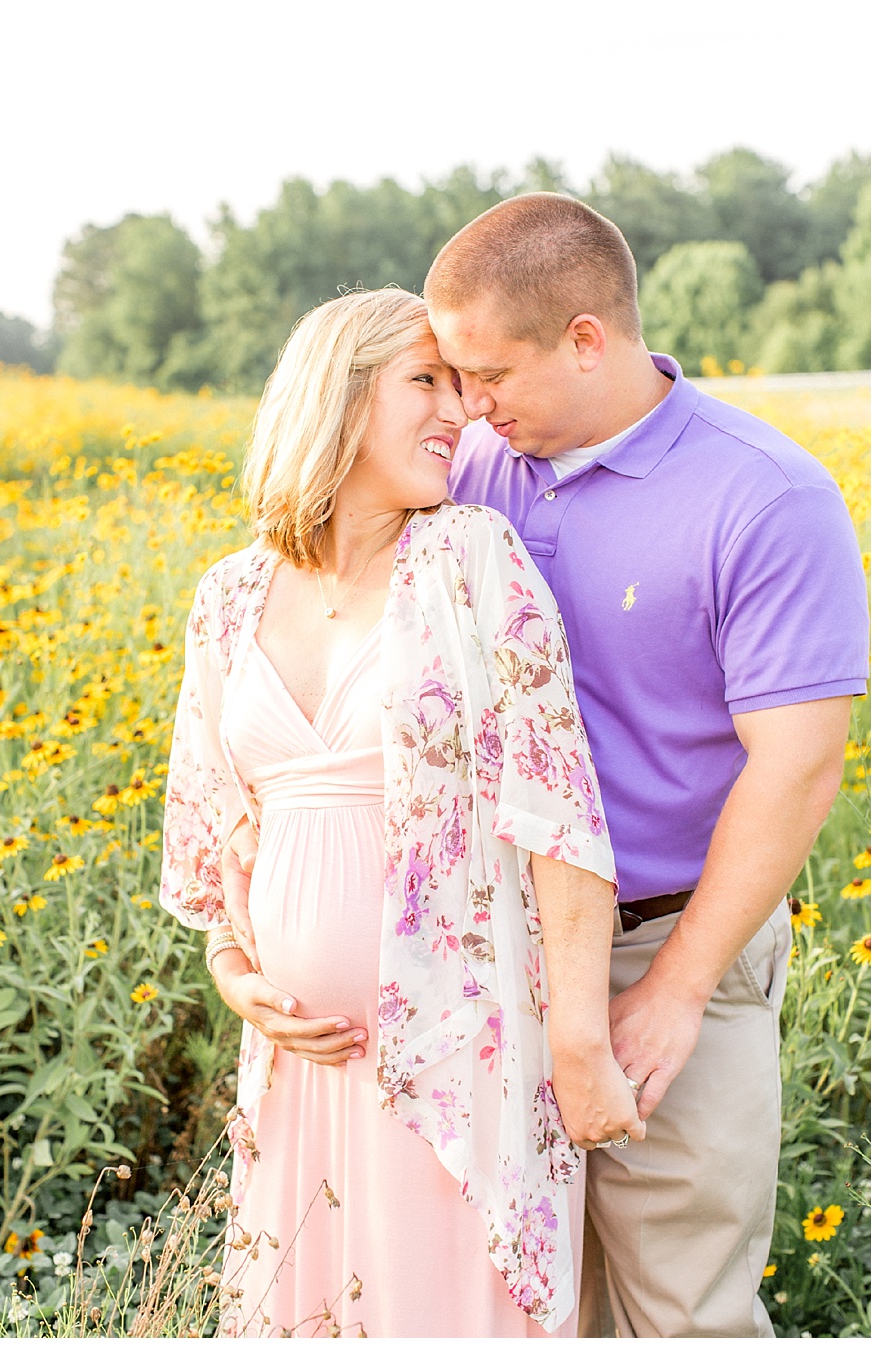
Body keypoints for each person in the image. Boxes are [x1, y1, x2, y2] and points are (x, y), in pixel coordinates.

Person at [424, 192, 867, 1338]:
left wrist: (673, 993)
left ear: (587, 338)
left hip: (666, 943)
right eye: (453, 379)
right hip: (495, 952)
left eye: (489, 375)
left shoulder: (764, 497)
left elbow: (801, 767)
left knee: (681, 1310)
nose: (469, 407)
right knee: (521, 1307)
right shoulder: (471, 467)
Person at [161, 287, 643, 1338]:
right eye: (425, 381)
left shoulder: (471, 560)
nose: (459, 412)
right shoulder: (228, 597)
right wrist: (239, 981)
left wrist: (578, 1039)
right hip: (301, 1068)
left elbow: (558, 820)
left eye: (464, 387)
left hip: (458, 1057)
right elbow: (217, 844)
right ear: (337, 399)